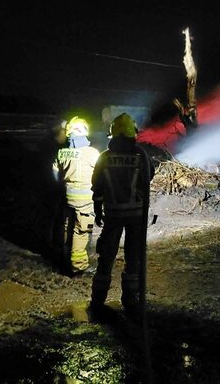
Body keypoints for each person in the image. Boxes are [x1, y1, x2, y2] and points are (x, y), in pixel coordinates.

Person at [90, 113, 154, 319]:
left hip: (112, 215)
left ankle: (98, 300)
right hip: (136, 216)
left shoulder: (104, 158)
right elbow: (149, 176)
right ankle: (130, 300)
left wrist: (98, 209)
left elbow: (97, 186)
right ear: (132, 134)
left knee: (106, 257)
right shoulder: (140, 156)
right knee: (133, 259)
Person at [52, 116, 101, 276]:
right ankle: (78, 266)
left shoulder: (62, 153)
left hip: (67, 197)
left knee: (68, 227)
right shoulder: (92, 153)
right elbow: (102, 175)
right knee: (81, 231)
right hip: (85, 201)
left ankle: (65, 259)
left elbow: (55, 175)